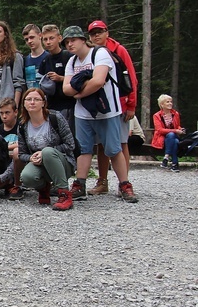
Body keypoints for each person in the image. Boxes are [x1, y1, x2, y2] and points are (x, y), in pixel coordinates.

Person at [62, 25, 137, 203]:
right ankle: (79, 184)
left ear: (82, 39)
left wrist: (78, 93)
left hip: (107, 111)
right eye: (66, 42)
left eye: (73, 40)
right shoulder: (72, 62)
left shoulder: (100, 54)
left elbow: (98, 80)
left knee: (113, 148)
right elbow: (65, 89)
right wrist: (77, 91)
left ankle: (125, 184)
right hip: (83, 113)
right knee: (84, 149)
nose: (70, 44)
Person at [86, 20, 139, 195]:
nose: (97, 36)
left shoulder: (118, 50)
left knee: (121, 143)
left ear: (107, 32)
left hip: (121, 104)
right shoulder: (90, 53)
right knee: (102, 144)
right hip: (102, 105)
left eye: (100, 32)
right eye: (93, 33)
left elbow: (130, 77)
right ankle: (102, 181)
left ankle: (124, 182)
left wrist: (131, 105)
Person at [17, 88, 77, 210]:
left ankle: (64, 194)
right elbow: (21, 153)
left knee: (47, 152)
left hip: (63, 163)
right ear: (24, 103)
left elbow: (70, 145)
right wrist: (31, 158)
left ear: (43, 103)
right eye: (28, 99)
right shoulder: (22, 125)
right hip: (40, 164)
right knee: (27, 177)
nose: (32, 102)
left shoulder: (55, 117)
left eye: (36, 99)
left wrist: (45, 152)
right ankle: (44, 188)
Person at [38, 24, 75, 131]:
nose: (48, 42)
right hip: (52, 105)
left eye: (51, 38)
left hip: (69, 104)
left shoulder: (69, 56)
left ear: (59, 38)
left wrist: (61, 78)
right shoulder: (45, 61)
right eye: (45, 39)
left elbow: (79, 79)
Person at [0, 97, 23, 199]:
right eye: (1, 113)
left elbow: (24, 144)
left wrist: (6, 147)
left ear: (15, 112)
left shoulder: (22, 127)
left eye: (7, 112)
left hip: (20, 161)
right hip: (3, 162)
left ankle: (12, 184)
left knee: (17, 153)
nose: (4, 116)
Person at [152, 94, 185, 172]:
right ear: (162, 104)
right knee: (175, 141)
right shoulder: (157, 115)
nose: (170, 103)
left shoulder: (175, 113)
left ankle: (166, 158)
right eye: (167, 102)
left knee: (172, 136)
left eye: (171, 102)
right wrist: (175, 131)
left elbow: (177, 126)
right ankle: (174, 164)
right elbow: (159, 130)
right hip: (162, 138)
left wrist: (181, 129)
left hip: (173, 136)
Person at [22, 24, 48, 89]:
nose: (29, 41)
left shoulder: (49, 57)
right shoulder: (24, 60)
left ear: (40, 35)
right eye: (26, 39)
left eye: (32, 37)